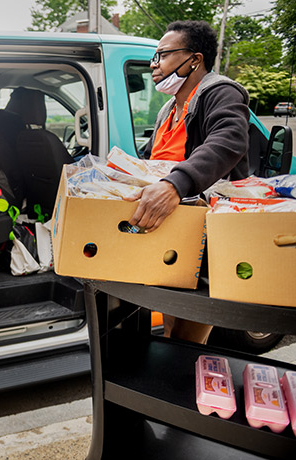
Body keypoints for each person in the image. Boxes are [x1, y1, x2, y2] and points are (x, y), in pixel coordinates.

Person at [127, 20, 250, 344]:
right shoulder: (169, 108)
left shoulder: (220, 92)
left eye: (163, 55)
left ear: (194, 58)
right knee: (169, 325)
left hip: (209, 235)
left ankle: (190, 389)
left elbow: (230, 140)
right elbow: (156, 156)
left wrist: (174, 185)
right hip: (172, 230)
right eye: (154, 57)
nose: (155, 65)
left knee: (185, 336)